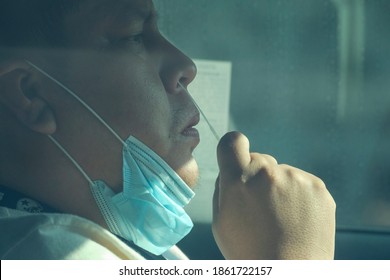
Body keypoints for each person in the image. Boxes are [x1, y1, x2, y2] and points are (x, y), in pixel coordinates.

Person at [0, 0, 336, 260]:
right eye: (133, 36)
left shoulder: (99, 239)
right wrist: (294, 259)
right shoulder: (56, 258)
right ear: (31, 94)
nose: (185, 66)